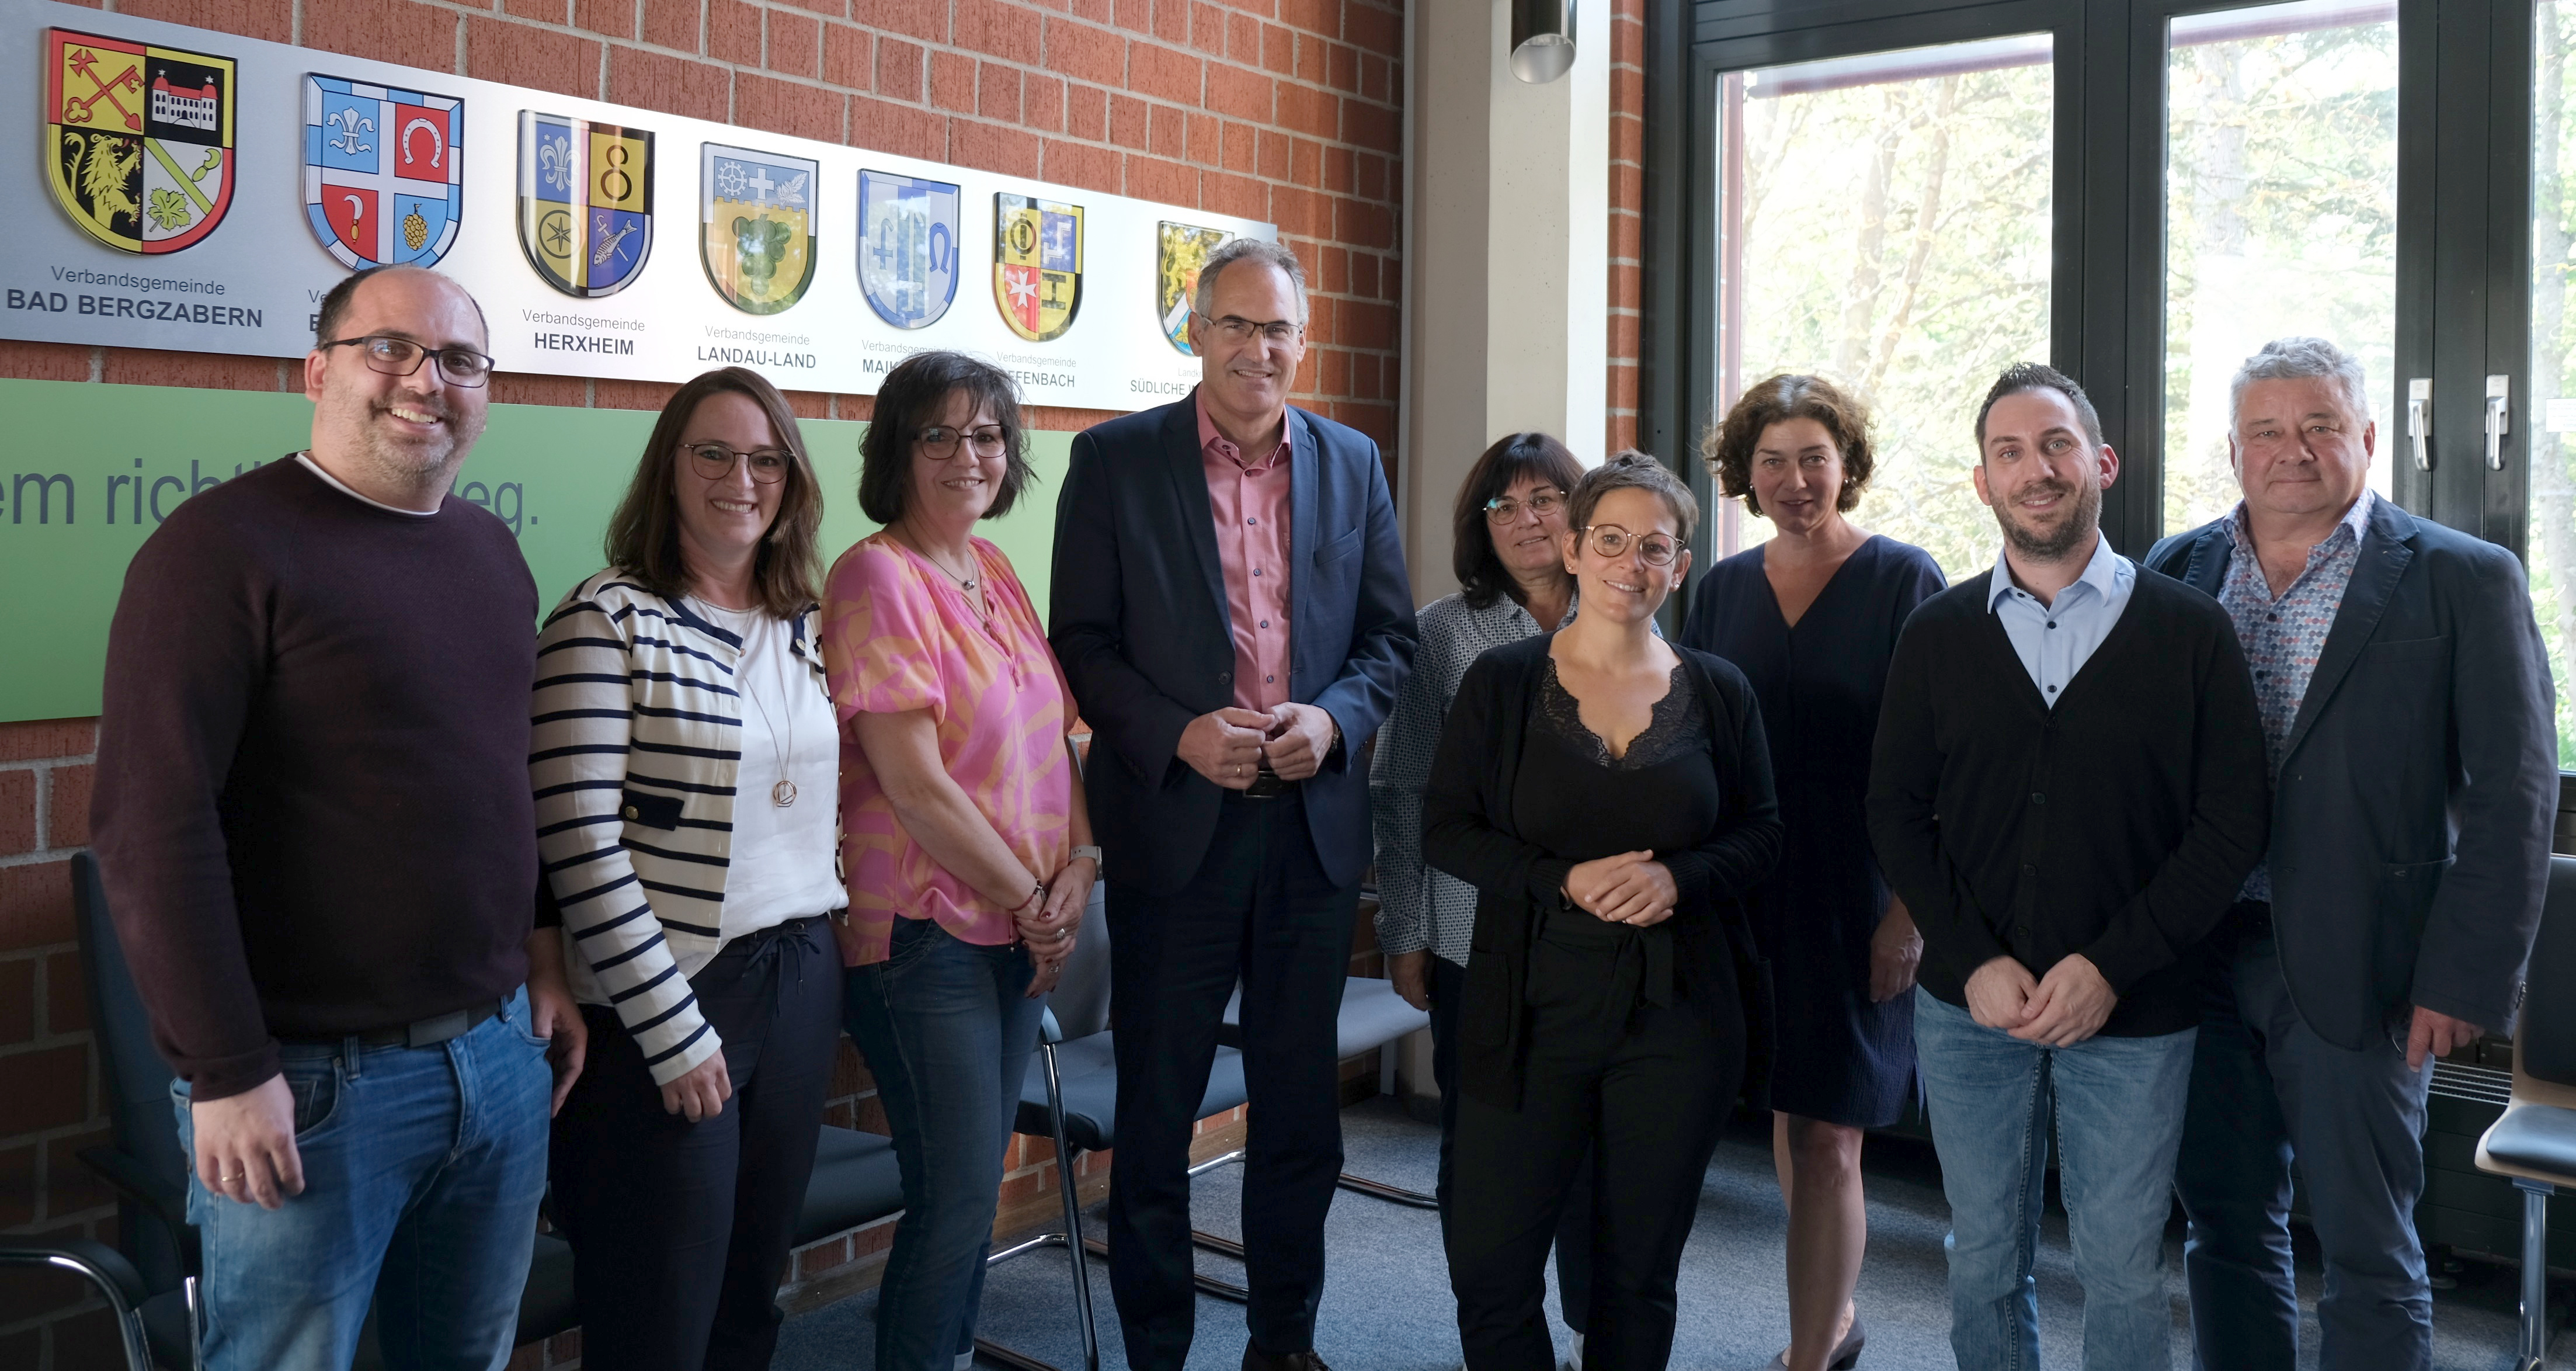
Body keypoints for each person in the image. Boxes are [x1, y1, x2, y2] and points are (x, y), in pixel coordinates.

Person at [90, 263, 586, 1371]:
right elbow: (151, 826)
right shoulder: (219, 551)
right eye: (390, 349)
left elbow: (511, 782)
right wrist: (222, 1070)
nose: (426, 380)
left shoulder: (489, 553)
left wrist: (542, 967)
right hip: (308, 1088)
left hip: (498, 1058)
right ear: (319, 368)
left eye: (459, 360)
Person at [2148, 338, 2557, 1371]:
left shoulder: (2466, 577)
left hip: (2365, 966)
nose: (2295, 450)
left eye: (2321, 426)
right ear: (2233, 452)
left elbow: (2515, 795)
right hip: (2193, 955)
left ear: (2368, 438)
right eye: (2268, 432)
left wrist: (2466, 978)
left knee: (2372, 1250)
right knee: (2224, 1228)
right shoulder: (2175, 568)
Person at [1048, 237, 1416, 1371]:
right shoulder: (1115, 462)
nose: (1259, 349)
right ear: (1194, 331)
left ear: (1303, 341)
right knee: (1156, 1116)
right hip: (1176, 827)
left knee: (1298, 1110)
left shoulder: (1352, 462)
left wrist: (1337, 721)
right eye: (1236, 325)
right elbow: (1086, 642)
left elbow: (1388, 638)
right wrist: (1178, 733)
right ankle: (1156, 1345)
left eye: (1279, 330)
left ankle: (1282, 1338)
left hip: (1306, 836)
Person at [1866, 362, 2271, 1371]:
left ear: (2102, 463)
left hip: (2135, 1012)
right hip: (1970, 1011)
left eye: (2055, 446)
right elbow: (1896, 813)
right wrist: (1971, 957)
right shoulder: (1937, 633)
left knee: (2125, 1262)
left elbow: (2231, 827)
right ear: (1982, 482)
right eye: (2010, 452)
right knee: (1983, 1255)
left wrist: (2110, 967)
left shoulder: (2190, 631)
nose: (2035, 470)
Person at [1426, 452, 1782, 1371]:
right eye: (1612, 541)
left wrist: (1680, 879)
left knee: (1635, 1275)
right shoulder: (1502, 684)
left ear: (1682, 565)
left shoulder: (1720, 690)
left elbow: (1763, 835)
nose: (1632, 564)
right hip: (1529, 1002)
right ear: (1576, 550)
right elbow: (1448, 831)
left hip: (1679, 1015)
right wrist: (1561, 880)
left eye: (1654, 547)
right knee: (1490, 1266)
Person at [534, 366, 845, 1370]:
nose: (740, 479)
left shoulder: (808, 624)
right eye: (712, 453)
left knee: (754, 1291)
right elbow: (579, 839)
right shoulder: (604, 621)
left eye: (765, 459)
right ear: (667, 470)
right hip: (673, 991)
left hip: (802, 972)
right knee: (657, 1312)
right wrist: (672, 1030)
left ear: (792, 480)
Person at [823, 350, 1096, 1371]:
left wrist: (1083, 867)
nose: (966, 455)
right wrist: (1037, 898)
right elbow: (916, 784)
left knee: (971, 1185)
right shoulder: (875, 574)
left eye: (986, 435)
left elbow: (1062, 739)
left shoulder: (997, 570)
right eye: (938, 433)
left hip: (1019, 923)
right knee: (954, 1196)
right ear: (898, 448)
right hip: (924, 934)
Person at [1680, 374, 1944, 1371]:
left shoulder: (1904, 580)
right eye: (1773, 462)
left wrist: (1909, 916)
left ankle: (1809, 1352)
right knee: (1793, 1111)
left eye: (1815, 459)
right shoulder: (1721, 590)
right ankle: (1832, 1320)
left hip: (1858, 892)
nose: (1796, 481)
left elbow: (1938, 763)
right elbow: (1691, 743)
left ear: (1849, 465)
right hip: (1745, 885)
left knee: (1834, 1131)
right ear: (1744, 475)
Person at [1371, 430, 1598, 1356]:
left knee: (1601, 1153)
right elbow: (1404, 787)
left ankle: (1597, 1325)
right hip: (1476, 935)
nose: (1527, 519)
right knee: (1484, 1149)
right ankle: (1501, 1335)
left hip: (1601, 940)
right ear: (1481, 528)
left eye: (1546, 498)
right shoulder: (1445, 632)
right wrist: (1406, 929)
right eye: (1504, 506)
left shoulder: (1632, 603)